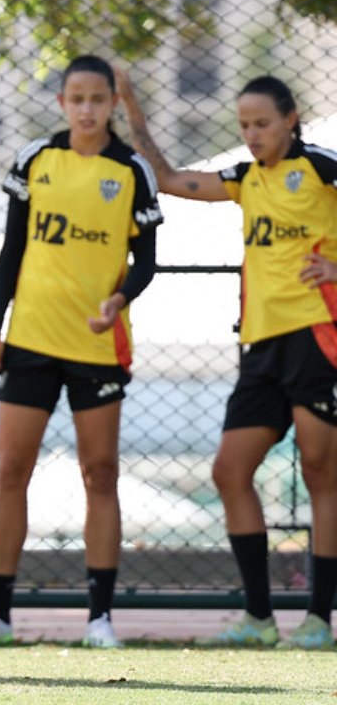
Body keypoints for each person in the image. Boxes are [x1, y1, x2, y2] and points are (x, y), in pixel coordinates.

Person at [118, 69, 337, 649]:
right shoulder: (245, 177)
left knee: (321, 473)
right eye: (244, 125)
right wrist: (132, 100)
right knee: (229, 470)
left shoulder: (320, 168)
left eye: (262, 123)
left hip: (318, 338)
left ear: (290, 119)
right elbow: (165, 179)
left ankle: (319, 620)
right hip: (261, 347)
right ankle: (260, 619)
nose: (253, 134)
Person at [0, 55, 163, 649]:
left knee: (100, 474)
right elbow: (12, 250)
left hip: (96, 347)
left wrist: (118, 299)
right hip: (31, 342)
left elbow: (146, 259)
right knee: (11, 472)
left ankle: (100, 619)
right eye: (77, 98)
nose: (88, 108)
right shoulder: (35, 160)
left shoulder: (131, 170)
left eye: (99, 98)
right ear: (62, 103)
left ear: (112, 105)